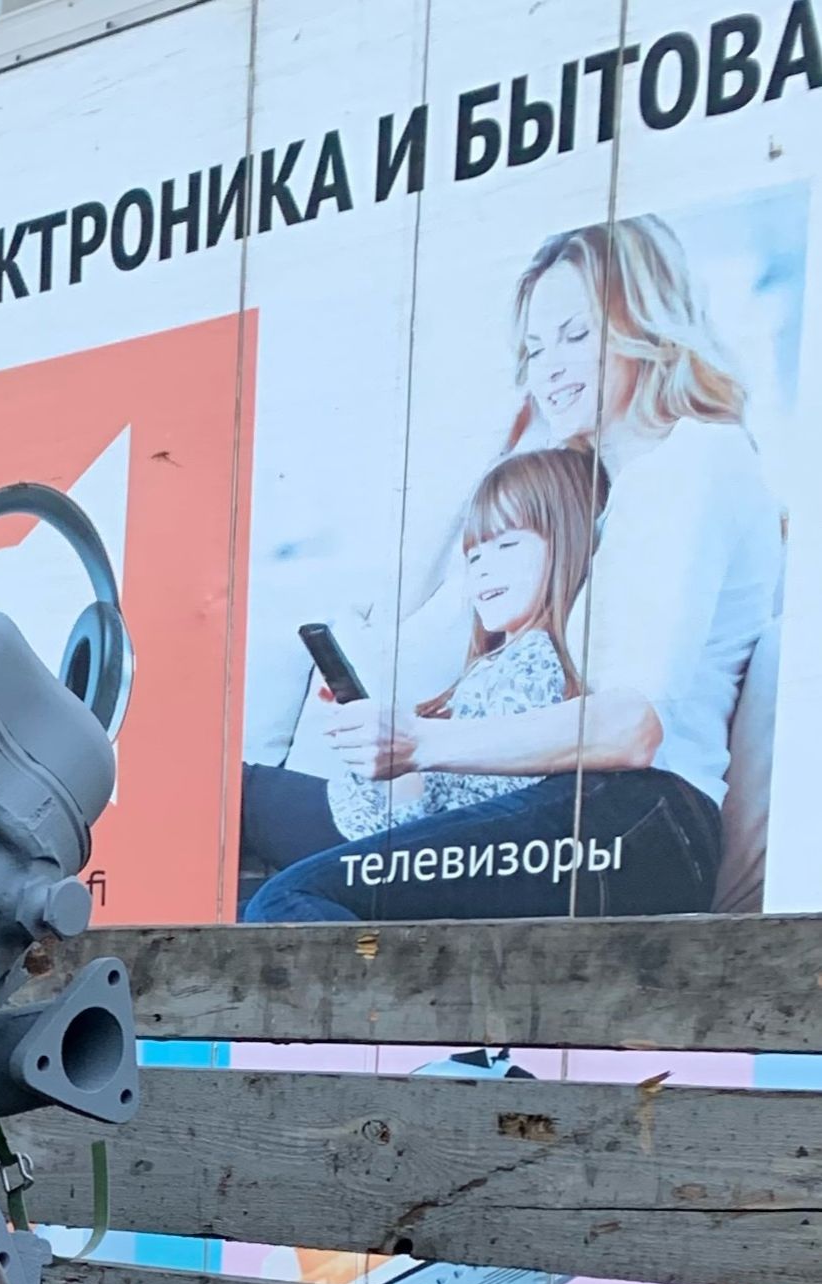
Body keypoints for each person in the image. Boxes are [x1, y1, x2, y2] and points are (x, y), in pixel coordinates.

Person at [245, 216, 781, 921]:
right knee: (267, 878)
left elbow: (633, 726)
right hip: (590, 809)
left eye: (576, 335)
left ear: (644, 326)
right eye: (534, 348)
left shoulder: (691, 460)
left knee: (292, 898)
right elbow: (415, 602)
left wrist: (420, 743)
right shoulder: (602, 499)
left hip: (640, 818)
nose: (549, 368)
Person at [326, 445, 604, 839]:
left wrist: (400, 759)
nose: (483, 569)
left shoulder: (534, 661)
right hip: (368, 825)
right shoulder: (497, 662)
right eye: (473, 558)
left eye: (507, 545)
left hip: (378, 839)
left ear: (568, 545)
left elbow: (457, 816)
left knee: (245, 786)